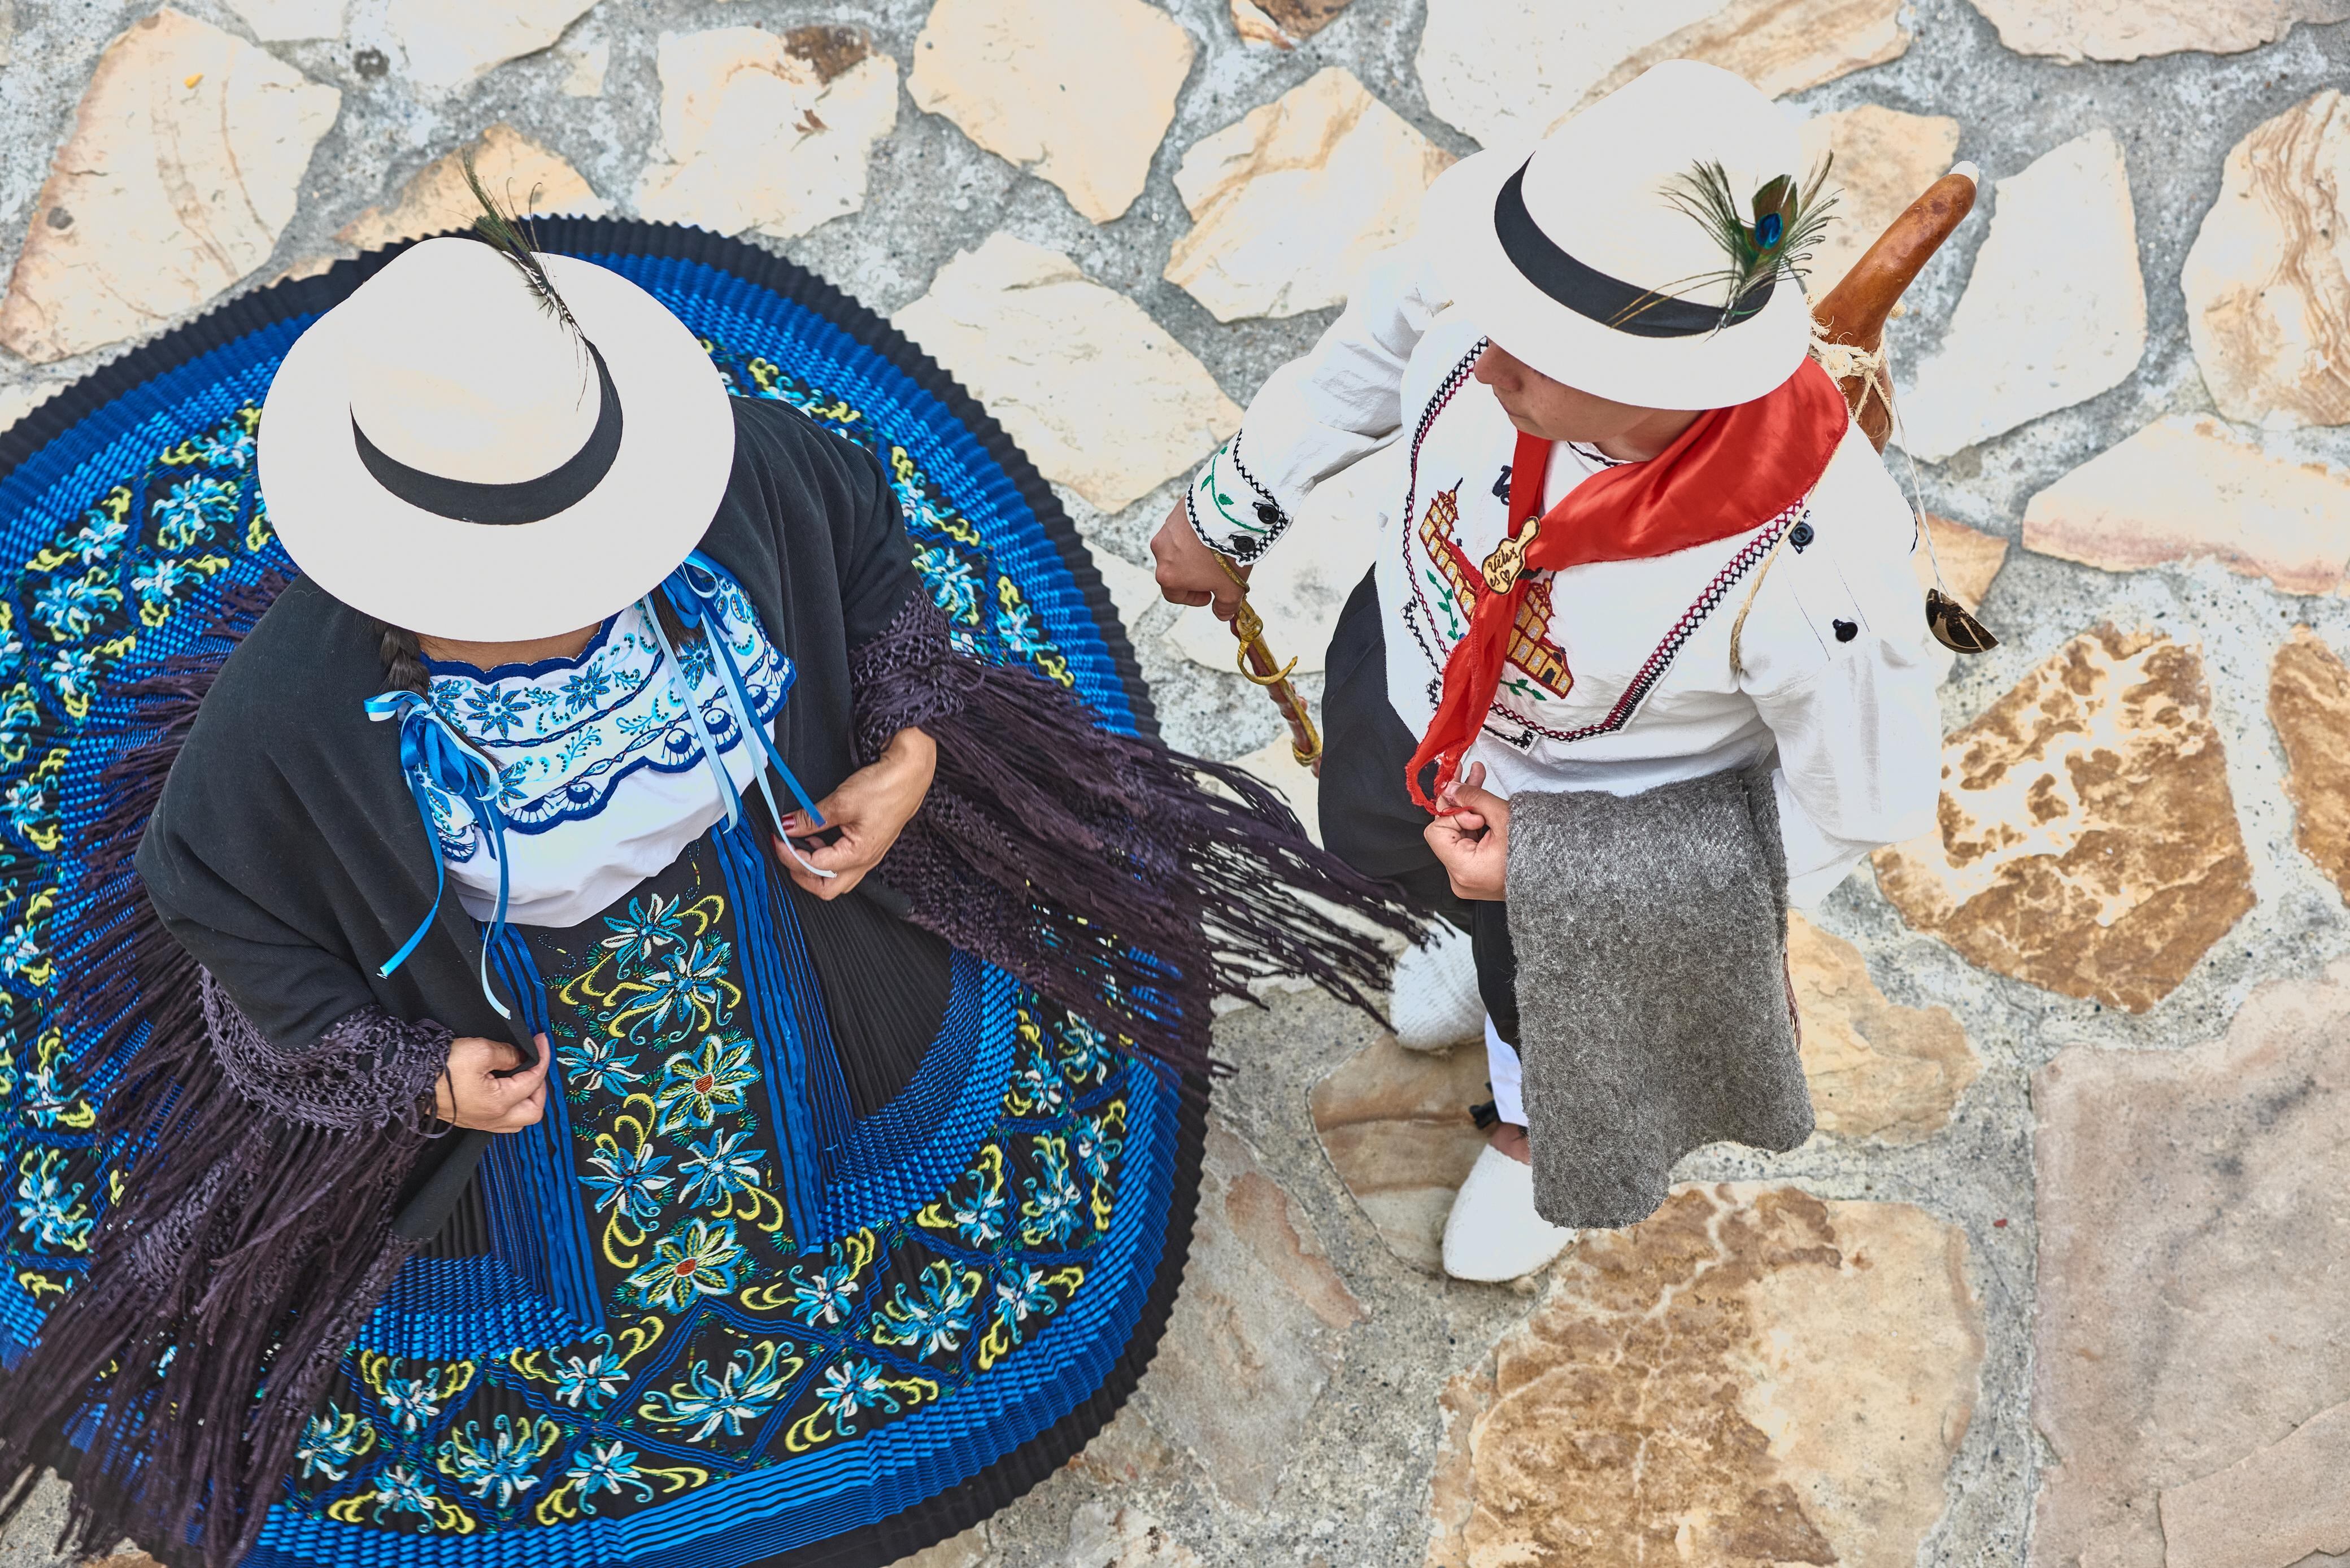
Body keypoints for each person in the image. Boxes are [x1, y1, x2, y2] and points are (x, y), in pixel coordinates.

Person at [0, 208, 1413, 1568]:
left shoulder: (747, 482)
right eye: (504, 573)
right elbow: (217, 898)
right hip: (465, 980)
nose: (573, 585)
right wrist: (412, 1074)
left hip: (770, 867)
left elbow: (864, 539)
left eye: (581, 546)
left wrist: (911, 746)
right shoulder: (284, 723)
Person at [1154, 59, 1941, 1280]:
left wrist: (1569, 864)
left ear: (1660, 378)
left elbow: (1852, 806)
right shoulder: (1490, 294)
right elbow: (1366, 361)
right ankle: (1467, 945)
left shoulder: (1816, 570)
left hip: (1594, 834)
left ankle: (1536, 1125)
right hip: (1412, 690)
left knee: (1567, 997)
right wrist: (1234, 505)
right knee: (1392, 849)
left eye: (1531, 347)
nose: (1479, 358)